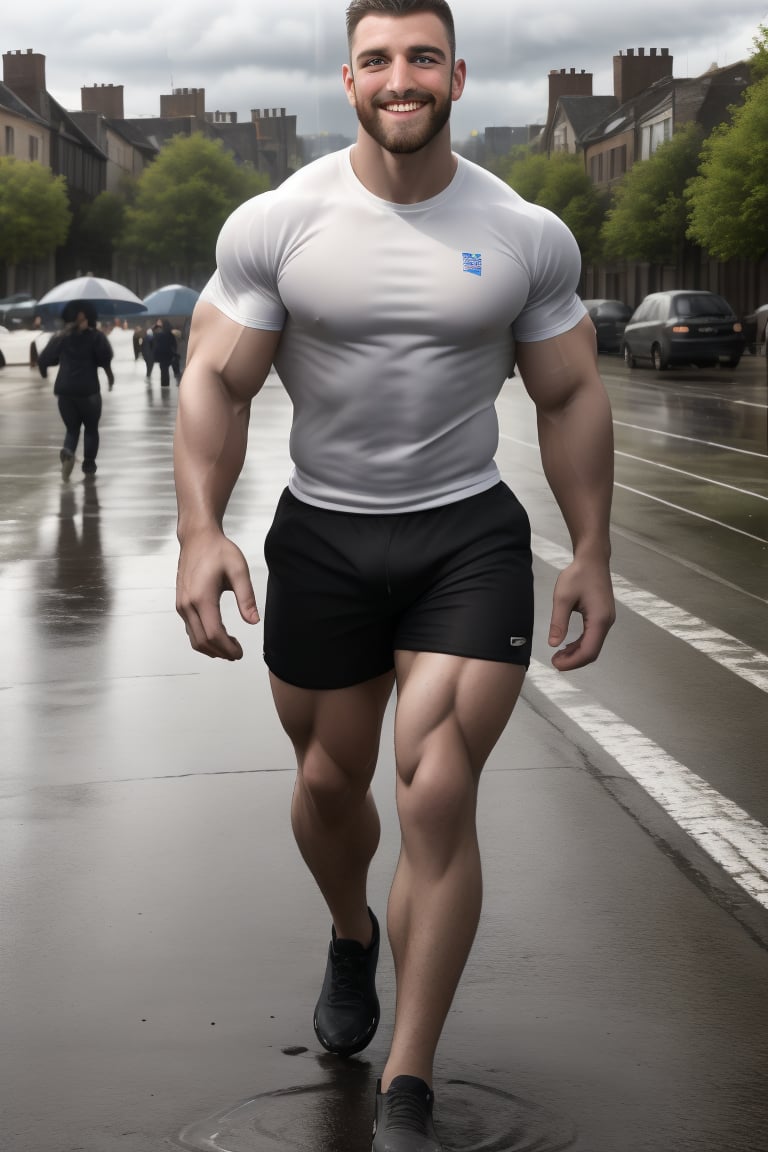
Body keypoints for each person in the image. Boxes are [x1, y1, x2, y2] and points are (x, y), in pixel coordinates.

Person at [174, 1, 615, 1149]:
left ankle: (407, 1079)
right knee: (330, 785)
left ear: (458, 76)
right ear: (348, 77)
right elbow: (216, 383)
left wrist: (595, 554)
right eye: (379, 59)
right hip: (322, 537)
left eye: (422, 57)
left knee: (434, 786)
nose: (401, 77)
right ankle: (350, 931)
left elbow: (568, 395)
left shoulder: (524, 232)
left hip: (463, 538)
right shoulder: (282, 222)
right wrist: (199, 531)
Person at [38, 300, 114, 479]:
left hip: (65, 392)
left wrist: (44, 373)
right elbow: (105, 358)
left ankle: (68, 452)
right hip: (88, 392)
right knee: (91, 428)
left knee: (72, 429)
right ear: (90, 318)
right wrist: (110, 378)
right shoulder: (96, 337)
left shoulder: (61, 337)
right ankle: (88, 464)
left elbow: (44, 359)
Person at [150, 318, 179, 388]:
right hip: (167, 354)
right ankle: (167, 384)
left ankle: (165, 384)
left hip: (163, 354)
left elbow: (154, 342)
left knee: (164, 370)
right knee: (166, 369)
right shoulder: (169, 333)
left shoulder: (159, 333)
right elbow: (174, 344)